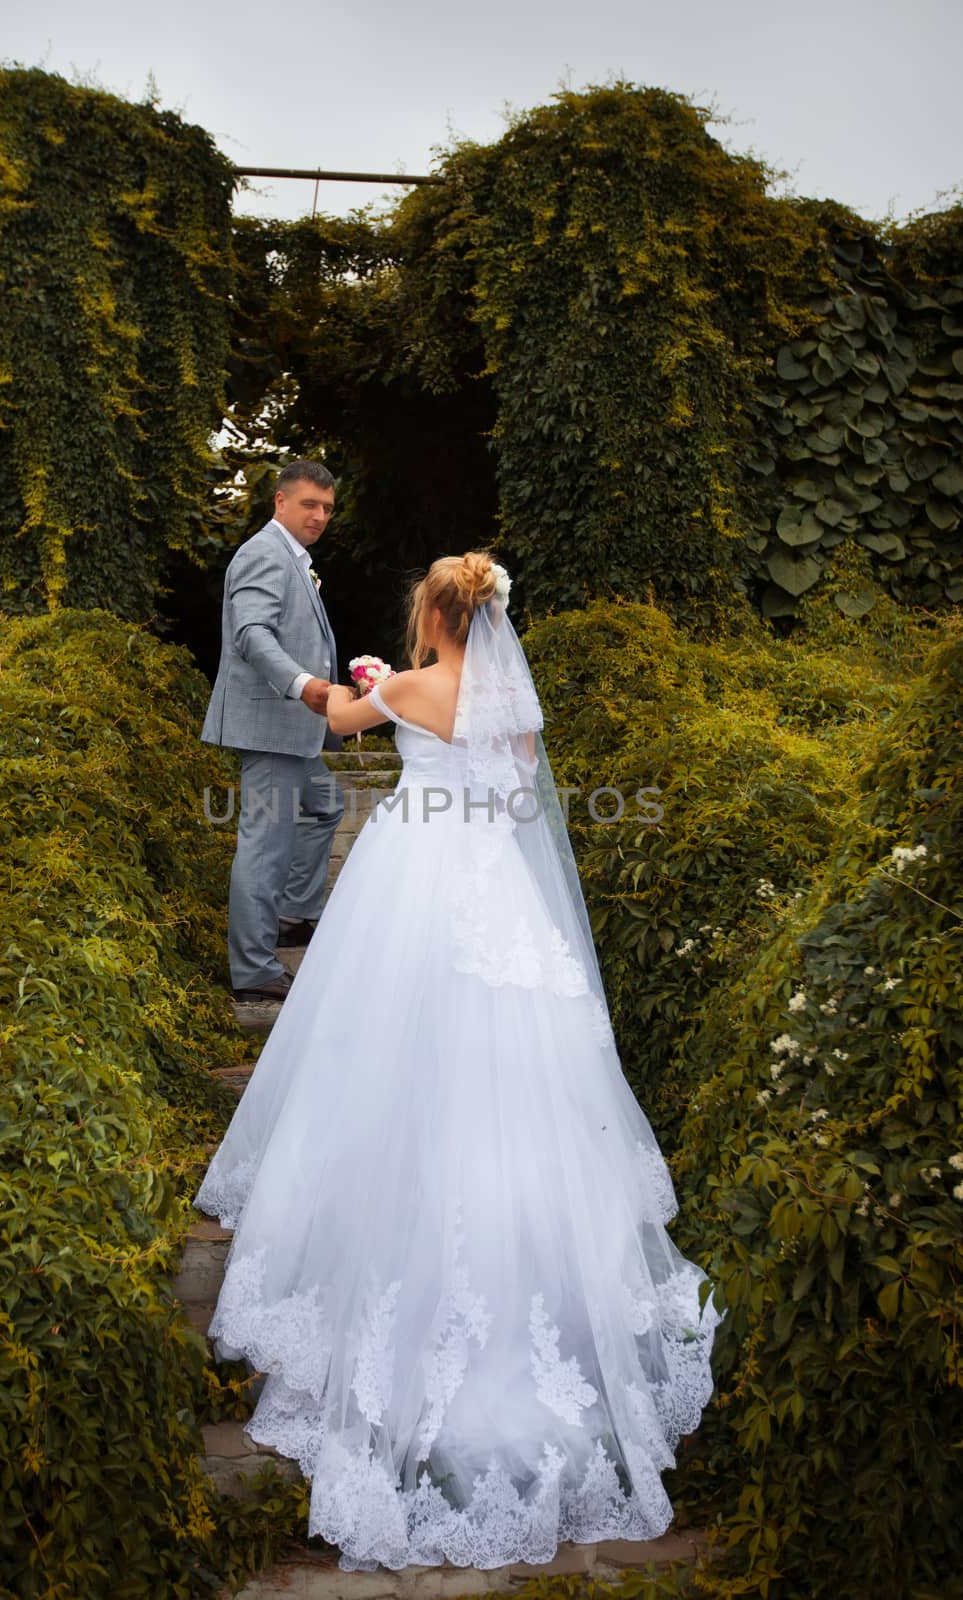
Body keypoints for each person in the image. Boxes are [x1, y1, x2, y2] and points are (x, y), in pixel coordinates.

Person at [193, 551, 723, 1575]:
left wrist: (354, 680)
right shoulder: (509, 702)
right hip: (495, 888)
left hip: (415, 885)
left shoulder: (409, 683)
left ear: (433, 615)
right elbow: (513, 788)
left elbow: (340, 723)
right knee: (521, 1071)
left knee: (382, 1045)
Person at [200, 461, 346, 1013]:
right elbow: (251, 632)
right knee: (265, 845)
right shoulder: (265, 551)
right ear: (280, 502)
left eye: (327, 508)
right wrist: (302, 682)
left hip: (292, 730)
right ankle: (255, 970)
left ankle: (290, 915)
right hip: (273, 724)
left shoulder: (294, 558)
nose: (319, 516)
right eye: (309, 504)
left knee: (327, 803)